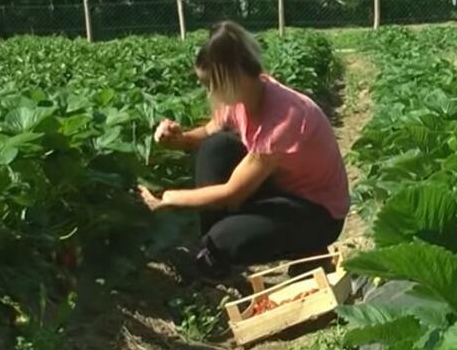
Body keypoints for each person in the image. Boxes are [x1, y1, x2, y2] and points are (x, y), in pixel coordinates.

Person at [138, 21, 349, 279]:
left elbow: (233, 193)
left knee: (224, 240)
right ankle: (213, 257)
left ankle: (305, 248)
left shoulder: (284, 117)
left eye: (211, 85)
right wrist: (179, 139)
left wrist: (169, 197)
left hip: (318, 213)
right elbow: (209, 131)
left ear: (231, 78)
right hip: (283, 191)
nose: (210, 92)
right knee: (216, 147)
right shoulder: (245, 93)